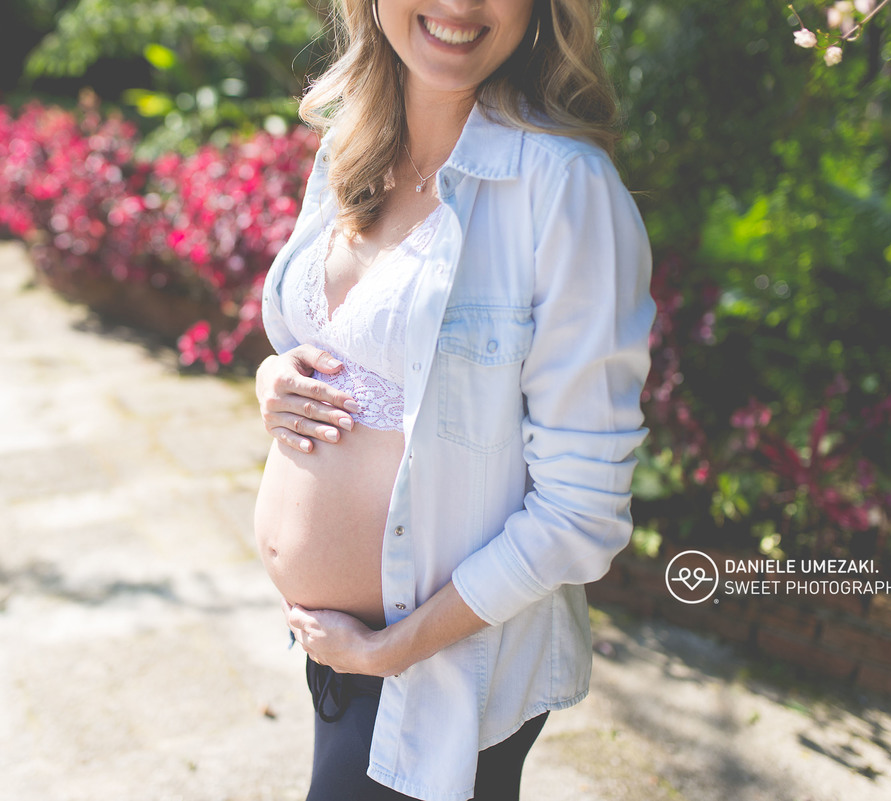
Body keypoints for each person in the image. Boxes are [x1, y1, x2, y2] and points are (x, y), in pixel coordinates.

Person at [252, 1, 656, 799]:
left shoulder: (565, 189)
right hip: (342, 657)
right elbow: (333, 341)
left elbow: (582, 513)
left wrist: (395, 648)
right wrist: (275, 382)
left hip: (434, 671)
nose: (462, 5)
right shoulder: (352, 139)